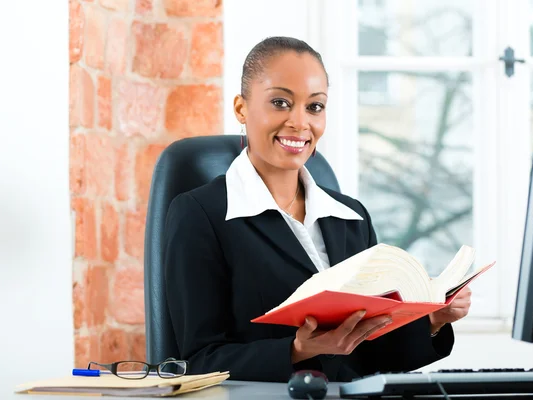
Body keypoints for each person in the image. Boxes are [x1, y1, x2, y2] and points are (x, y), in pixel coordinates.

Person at [163, 36, 472, 383]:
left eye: (314, 107)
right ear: (241, 108)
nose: (300, 122)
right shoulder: (199, 215)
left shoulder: (350, 217)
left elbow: (371, 354)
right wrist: (297, 350)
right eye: (280, 102)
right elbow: (199, 360)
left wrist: (433, 320)